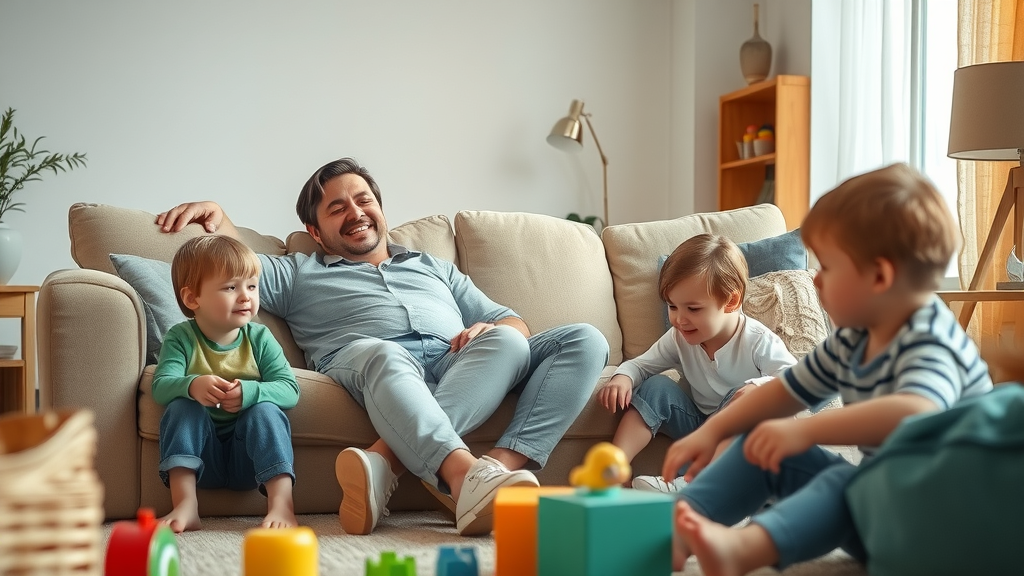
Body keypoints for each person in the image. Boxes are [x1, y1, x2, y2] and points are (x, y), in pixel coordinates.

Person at [156, 157, 609, 537]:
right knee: (384, 352)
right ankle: (459, 475)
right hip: (370, 361)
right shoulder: (297, 272)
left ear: (380, 208)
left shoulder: (434, 267)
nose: (356, 212)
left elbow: (512, 320)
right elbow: (235, 267)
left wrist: (489, 329)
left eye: (364, 200)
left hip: (456, 361)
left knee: (581, 339)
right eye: (337, 208)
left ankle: (464, 468)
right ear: (315, 231)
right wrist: (219, 215)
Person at [662, 163, 993, 575]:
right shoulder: (852, 339)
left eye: (829, 267)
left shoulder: (930, 339)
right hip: (884, 513)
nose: (815, 280)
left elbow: (915, 411)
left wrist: (805, 430)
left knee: (844, 484)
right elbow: (785, 391)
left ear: (879, 276)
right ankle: (669, 532)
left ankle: (744, 549)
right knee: (758, 445)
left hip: (948, 529)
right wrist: (713, 431)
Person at [597, 234, 796, 493]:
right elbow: (641, 365)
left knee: (748, 399)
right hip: (699, 427)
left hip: (741, 434)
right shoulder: (678, 337)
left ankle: (696, 484)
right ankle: (613, 470)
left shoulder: (757, 340)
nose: (679, 320)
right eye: (672, 307)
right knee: (655, 386)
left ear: (731, 302)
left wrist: (759, 387)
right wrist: (623, 376)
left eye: (693, 309)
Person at [152, 235, 301, 533]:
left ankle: (282, 505)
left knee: (266, 410)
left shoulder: (260, 337)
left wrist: (251, 392)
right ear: (192, 298)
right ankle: (185, 505)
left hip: (249, 461)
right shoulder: (180, 338)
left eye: (252, 286)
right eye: (231, 287)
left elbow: (290, 389)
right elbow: (161, 386)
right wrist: (192, 386)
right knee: (182, 406)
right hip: (201, 460)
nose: (246, 296)